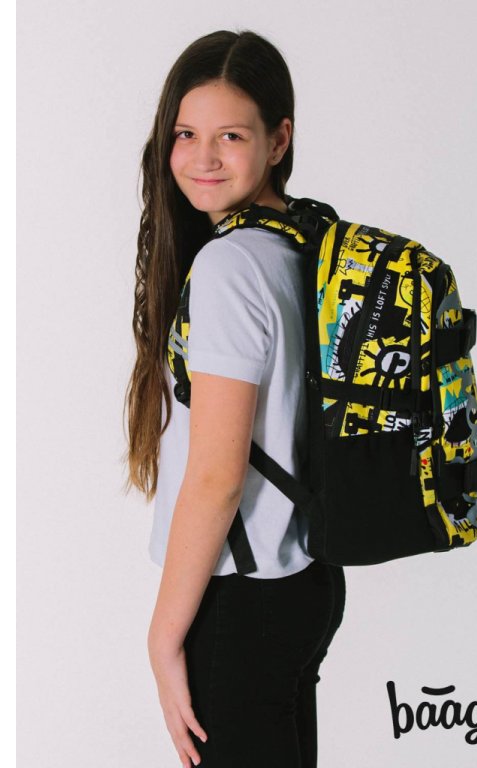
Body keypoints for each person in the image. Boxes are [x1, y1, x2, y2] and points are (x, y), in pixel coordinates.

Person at [123, 29, 346, 768]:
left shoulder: (228, 267)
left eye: (231, 135)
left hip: (241, 598)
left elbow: (218, 478)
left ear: (279, 140)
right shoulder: (302, 246)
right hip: (305, 578)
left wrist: (162, 637)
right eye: (186, 134)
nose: (203, 157)